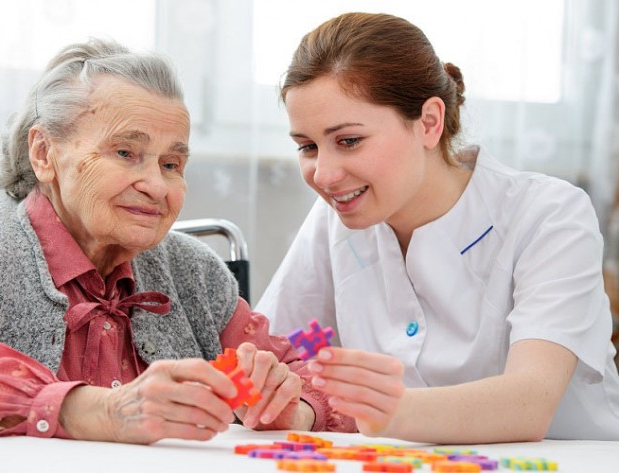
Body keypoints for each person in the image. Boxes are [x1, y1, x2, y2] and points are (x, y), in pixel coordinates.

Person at [0, 38, 355, 444]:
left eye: (172, 164)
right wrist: (102, 411)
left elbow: (321, 380)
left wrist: (293, 406)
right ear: (44, 153)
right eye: (125, 153)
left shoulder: (196, 274)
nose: (155, 185)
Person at [256, 12, 619, 443]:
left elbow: (528, 403)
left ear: (429, 122)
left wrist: (382, 410)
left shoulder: (549, 215)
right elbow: (278, 352)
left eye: (348, 140)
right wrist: (267, 395)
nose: (325, 174)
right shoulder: (335, 220)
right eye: (307, 147)